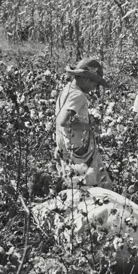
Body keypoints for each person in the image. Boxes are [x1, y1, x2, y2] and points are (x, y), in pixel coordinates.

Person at [55, 58, 112, 189]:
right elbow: (63, 121)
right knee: (97, 187)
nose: (95, 88)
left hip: (67, 145)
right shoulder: (78, 96)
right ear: (86, 79)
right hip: (79, 151)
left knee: (74, 186)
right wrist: (89, 126)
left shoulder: (67, 90)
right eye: (95, 83)